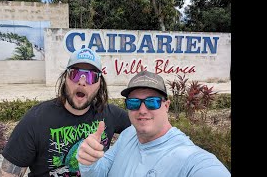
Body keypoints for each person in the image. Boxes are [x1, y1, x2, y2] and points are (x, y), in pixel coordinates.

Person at [0, 48, 131, 176]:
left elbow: (146, 131)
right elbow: (8, 174)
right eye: (75, 73)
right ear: (65, 78)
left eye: (91, 76)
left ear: (99, 83)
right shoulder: (36, 120)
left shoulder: (110, 113)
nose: (82, 81)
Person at [77, 70, 231, 177]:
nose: (142, 110)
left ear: (166, 105)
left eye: (152, 102)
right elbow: (100, 172)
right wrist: (88, 163)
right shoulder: (128, 134)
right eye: (134, 102)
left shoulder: (190, 158)